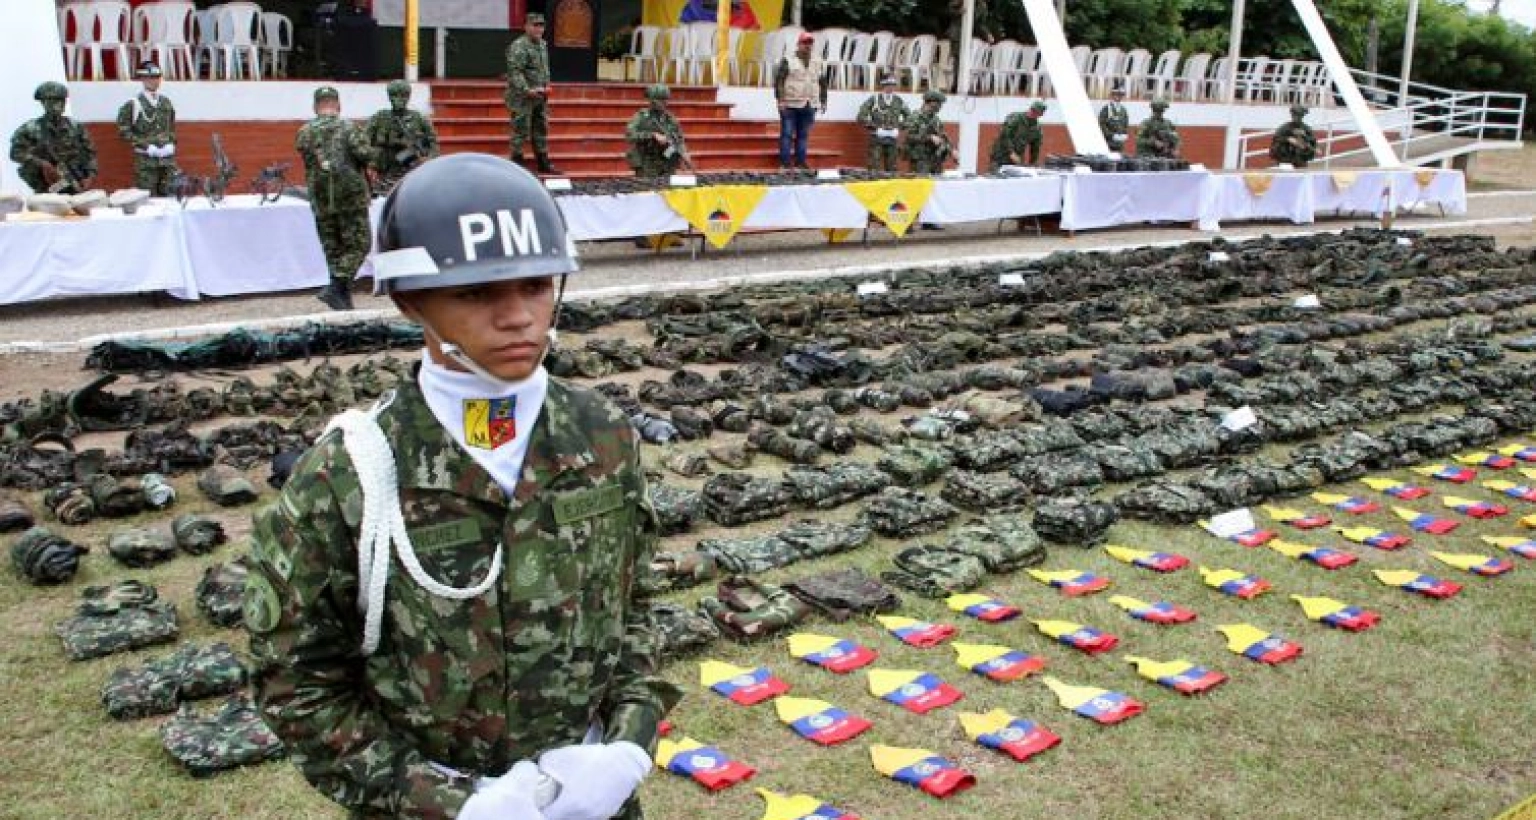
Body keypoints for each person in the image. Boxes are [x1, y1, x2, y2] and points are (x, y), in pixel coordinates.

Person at [245, 152, 681, 820]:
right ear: (409, 298)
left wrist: (626, 743)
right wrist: (453, 803)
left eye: (536, 285)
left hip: (591, 803)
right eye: (477, 293)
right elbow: (298, 684)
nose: (517, 316)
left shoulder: (601, 434)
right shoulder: (353, 473)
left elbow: (638, 605)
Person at [295, 86, 372, 312]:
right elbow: (365, 155)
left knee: (334, 248)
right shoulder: (350, 128)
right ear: (338, 105)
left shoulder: (304, 132)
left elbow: (306, 156)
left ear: (315, 106)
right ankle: (338, 286)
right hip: (351, 198)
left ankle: (341, 298)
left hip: (321, 198)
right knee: (359, 244)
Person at [9, 81, 96, 195]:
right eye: (53, 100)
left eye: (61, 100)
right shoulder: (31, 128)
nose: (58, 104)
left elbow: (89, 152)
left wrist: (90, 175)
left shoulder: (75, 127)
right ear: (44, 103)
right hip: (45, 184)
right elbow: (15, 153)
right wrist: (42, 164)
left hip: (75, 180)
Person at [505, 13, 560, 174]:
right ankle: (516, 164)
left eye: (541, 25)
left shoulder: (542, 45)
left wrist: (545, 86)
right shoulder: (519, 46)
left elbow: (542, 69)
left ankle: (543, 162)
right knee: (520, 130)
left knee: (540, 128)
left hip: (540, 95)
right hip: (523, 97)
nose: (538, 29)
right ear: (526, 27)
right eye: (534, 25)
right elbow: (515, 72)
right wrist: (526, 89)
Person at [367, 79, 441, 193]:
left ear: (408, 97)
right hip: (384, 175)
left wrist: (427, 160)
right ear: (389, 97)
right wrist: (370, 165)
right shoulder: (379, 118)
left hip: (412, 174)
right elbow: (364, 143)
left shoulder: (419, 119)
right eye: (394, 95)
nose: (398, 99)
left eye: (403, 95)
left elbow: (433, 144)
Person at [114, 63, 177, 196]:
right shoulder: (133, 104)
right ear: (142, 79)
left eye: (156, 77)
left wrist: (171, 143)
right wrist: (145, 146)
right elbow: (124, 131)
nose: (154, 81)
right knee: (148, 200)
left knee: (170, 199)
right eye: (150, 78)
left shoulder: (166, 102)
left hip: (167, 161)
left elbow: (171, 127)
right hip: (146, 163)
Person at [773, 32, 826, 170]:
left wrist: (823, 100)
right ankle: (785, 164)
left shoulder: (817, 60)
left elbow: (822, 81)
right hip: (790, 102)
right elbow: (779, 80)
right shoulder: (788, 59)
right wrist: (780, 99)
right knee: (787, 134)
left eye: (809, 43)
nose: (807, 46)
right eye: (805, 43)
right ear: (798, 44)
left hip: (810, 102)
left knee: (803, 135)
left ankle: (800, 162)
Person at [625, 84, 692, 179]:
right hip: (647, 162)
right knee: (647, 190)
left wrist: (684, 153)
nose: (665, 103)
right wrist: (652, 135)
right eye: (662, 101)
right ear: (652, 101)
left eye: (666, 100)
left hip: (667, 161)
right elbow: (630, 135)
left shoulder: (669, 119)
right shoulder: (641, 117)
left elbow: (679, 139)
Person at [856, 72, 908, 173]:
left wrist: (899, 128)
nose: (891, 88)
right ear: (883, 85)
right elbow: (860, 117)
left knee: (892, 168)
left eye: (893, 85)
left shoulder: (898, 101)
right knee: (874, 168)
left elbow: (910, 118)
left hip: (892, 138)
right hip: (877, 138)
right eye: (888, 85)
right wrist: (875, 128)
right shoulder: (874, 100)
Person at [905, 90, 952, 175]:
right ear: (931, 103)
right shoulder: (915, 117)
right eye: (939, 103)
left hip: (936, 159)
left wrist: (952, 151)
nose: (940, 106)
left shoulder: (936, 120)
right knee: (922, 185)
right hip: (920, 160)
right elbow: (909, 136)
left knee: (937, 186)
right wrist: (929, 137)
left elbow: (943, 137)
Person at [990, 100, 1046, 170]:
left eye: (1036, 112)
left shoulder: (1037, 129)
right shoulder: (1016, 117)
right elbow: (1005, 134)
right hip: (1000, 156)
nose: (1032, 113)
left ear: (1040, 115)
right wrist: (1011, 152)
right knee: (996, 177)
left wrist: (1033, 163)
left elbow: (1035, 148)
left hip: (1016, 159)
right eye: (1032, 110)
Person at [1098, 84, 1130, 154]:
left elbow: (1125, 123)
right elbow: (1101, 125)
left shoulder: (1123, 110)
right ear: (1112, 95)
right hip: (1108, 143)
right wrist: (1111, 135)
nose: (1119, 97)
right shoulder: (1106, 109)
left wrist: (1124, 134)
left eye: (1121, 95)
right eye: (1117, 95)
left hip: (1119, 144)